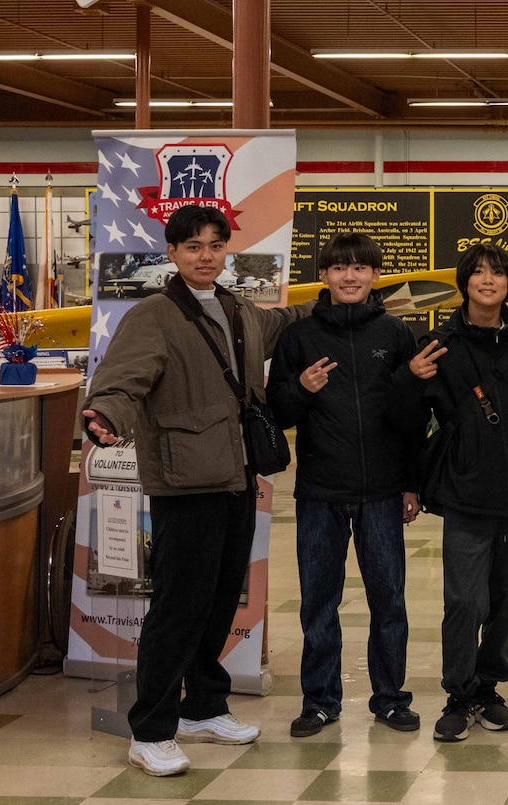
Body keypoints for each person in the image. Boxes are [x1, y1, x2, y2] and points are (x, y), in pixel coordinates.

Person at [82, 205, 315, 778]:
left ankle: (204, 708)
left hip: (237, 475)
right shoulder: (154, 315)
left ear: (226, 251)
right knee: (178, 608)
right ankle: (151, 729)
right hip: (185, 479)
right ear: (173, 254)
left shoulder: (239, 309)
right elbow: (121, 380)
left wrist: (340, 301)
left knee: (217, 603)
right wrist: (104, 416)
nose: (205, 255)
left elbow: (286, 320)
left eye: (215, 245)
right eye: (193, 247)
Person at [267, 232, 444, 738]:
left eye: (360, 268)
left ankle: (390, 699)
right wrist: (301, 389)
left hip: (384, 492)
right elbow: (275, 412)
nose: (350, 276)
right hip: (321, 490)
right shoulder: (299, 337)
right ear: (323, 276)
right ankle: (319, 701)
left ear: (374, 276)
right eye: (340, 268)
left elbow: (414, 417)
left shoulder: (395, 334)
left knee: (389, 599)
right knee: (318, 600)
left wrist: (412, 484)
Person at [399, 241, 508, 743]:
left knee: (506, 598)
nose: (488, 281)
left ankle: (489, 687)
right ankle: (458, 692)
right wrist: (409, 380)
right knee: (465, 601)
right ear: (464, 282)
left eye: (498, 274)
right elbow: (409, 419)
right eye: (478, 273)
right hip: (466, 493)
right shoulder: (439, 342)